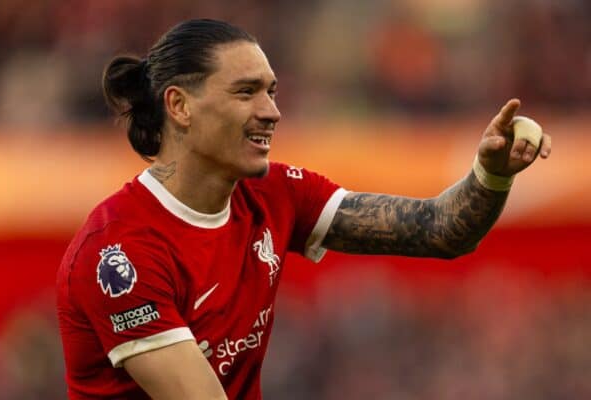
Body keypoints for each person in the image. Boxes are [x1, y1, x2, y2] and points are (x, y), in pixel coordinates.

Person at [56, 19, 551, 400]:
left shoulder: (275, 192)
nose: (271, 111)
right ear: (180, 106)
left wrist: (492, 173)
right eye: (246, 91)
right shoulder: (119, 254)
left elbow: (441, 230)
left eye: (272, 91)